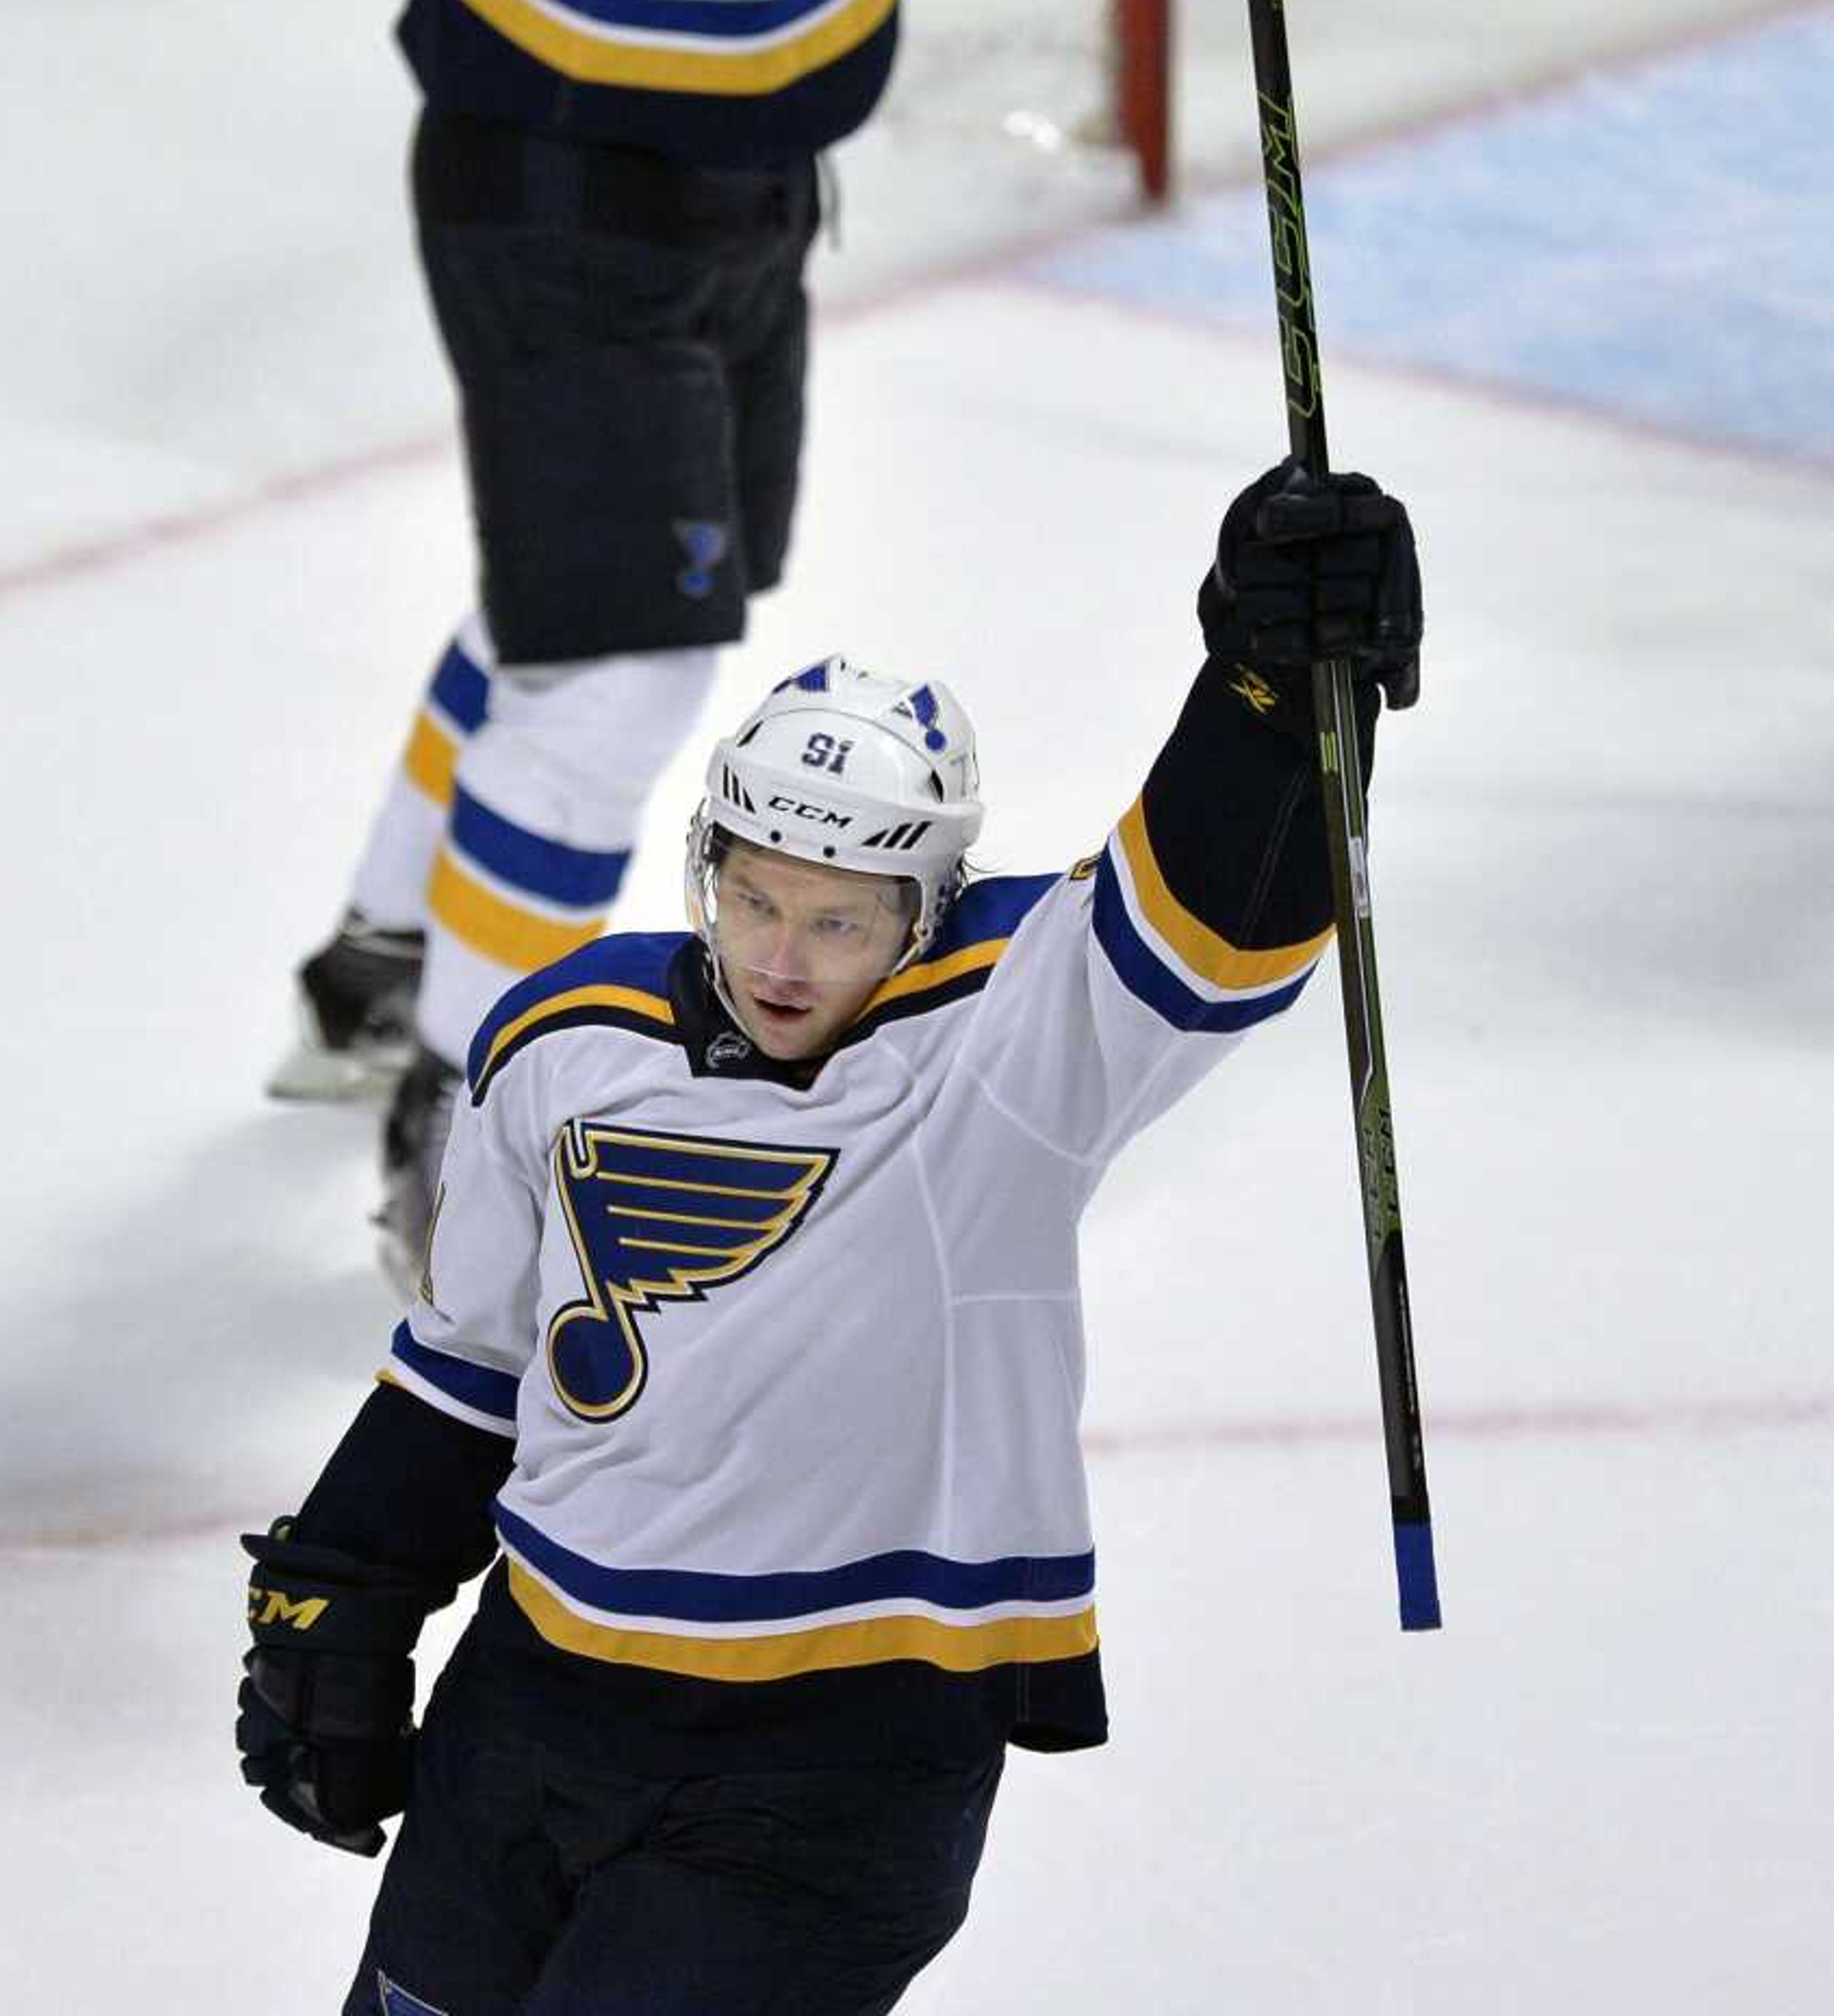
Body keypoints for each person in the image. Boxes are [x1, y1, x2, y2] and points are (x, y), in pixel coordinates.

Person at [236, 459, 1425, 2016]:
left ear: (926, 914)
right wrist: (349, 1581)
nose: (785, 960)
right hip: (529, 1714)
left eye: (844, 919)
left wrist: (1269, 692)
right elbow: (471, 1359)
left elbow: (1209, 914)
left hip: (828, 1769)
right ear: (708, 864)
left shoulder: (1002, 1057)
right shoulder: (564, 1033)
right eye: (757, 899)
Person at [267, 0, 941, 1286]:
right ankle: (474, 1143)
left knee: (578, 605)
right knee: (629, 666)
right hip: (569, 168)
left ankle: (385, 951)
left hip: (746, 153)